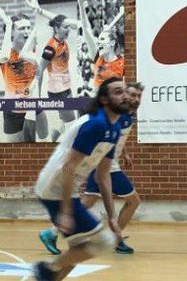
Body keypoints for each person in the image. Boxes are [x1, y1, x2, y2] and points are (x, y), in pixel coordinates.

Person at [27, 78, 128, 281]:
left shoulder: (114, 128)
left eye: (125, 91)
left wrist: (113, 217)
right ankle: (45, 269)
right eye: (118, 92)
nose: (124, 96)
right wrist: (66, 211)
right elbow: (68, 167)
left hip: (66, 189)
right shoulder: (94, 125)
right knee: (104, 243)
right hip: (54, 189)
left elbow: (103, 175)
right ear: (104, 99)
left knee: (79, 251)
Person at [40, 82, 143, 255]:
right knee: (133, 201)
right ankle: (116, 239)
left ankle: (51, 233)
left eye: (138, 96)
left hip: (105, 164)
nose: (134, 99)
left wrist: (125, 153)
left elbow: (116, 138)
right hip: (107, 166)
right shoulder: (118, 115)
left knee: (88, 202)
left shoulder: (127, 116)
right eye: (131, 95)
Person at [27, 0, 80, 136]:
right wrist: (37, 96)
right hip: (57, 91)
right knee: (71, 122)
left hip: (66, 87)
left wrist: (39, 10)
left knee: (64, 123)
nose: (69, 29)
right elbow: (40, 70)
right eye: (65, 27)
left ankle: (54, 139)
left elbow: (70, 23)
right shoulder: (51, 48)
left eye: (68, 27)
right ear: (56, 28)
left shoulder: (62, 41)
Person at [0, 9, 40, 143]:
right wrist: (9, 24)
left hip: (33, 109)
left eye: (28, 28)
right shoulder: (4, 52)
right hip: (13, 111)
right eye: (22, 28)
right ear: (12, 32)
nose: (26, 31)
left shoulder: (35, 50)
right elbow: (4, 56)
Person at [78, 0, 125, 88]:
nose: (99, 42)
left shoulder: (122, 63)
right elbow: (86, 29)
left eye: (102, 39)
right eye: (99, 40)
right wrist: (81, 6)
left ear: (112, 43)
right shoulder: (97, 57)